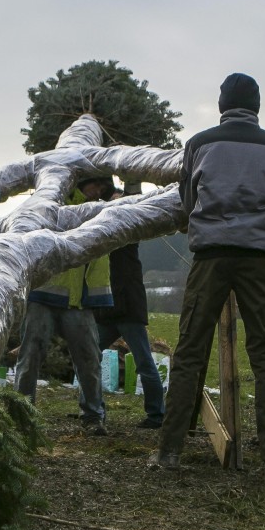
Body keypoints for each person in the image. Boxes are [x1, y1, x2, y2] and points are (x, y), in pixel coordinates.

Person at [149, 73, 265, 482]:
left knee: (190, 351)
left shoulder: (199, 144)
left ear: (222, 105)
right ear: (257, 106)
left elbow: (187, 200)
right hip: (261, 261)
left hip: (211, 255)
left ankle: (168, 451)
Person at [15, 176, 114, 436]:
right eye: (96, 185)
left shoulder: (101, 210)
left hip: (79, 301)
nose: (98, 191)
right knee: (31, 355)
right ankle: (22, 416)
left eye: (103, 188)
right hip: (43, 295)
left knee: (89, 359)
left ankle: (93, 416)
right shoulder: (56, 206)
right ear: (81, 182)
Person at [95, 183, 166, 430]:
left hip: (127, 307)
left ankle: (157, 415)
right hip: (107, 307)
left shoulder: (127, 229)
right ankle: (93, 411)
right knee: (88, 356)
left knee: (144, 361)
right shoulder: (103, 229)